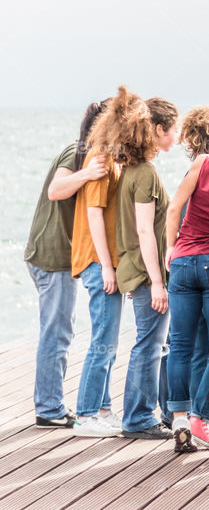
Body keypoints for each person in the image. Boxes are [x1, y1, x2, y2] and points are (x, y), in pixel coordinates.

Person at [27, 101, 108, 429]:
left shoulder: (88, 154)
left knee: (60, 329)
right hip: (52, 256)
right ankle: (49, 409)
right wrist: (87, 173)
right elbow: (55, 190)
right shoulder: (76, 152)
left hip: (59, 256)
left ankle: (50, 405)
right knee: (57, 332)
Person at [164, 106, 209, 452]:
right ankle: (199, 418)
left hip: (182, 261)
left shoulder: (199, 164)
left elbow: (173, 208)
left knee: (180, 343)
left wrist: (170, 247)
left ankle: (177, 417)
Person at [114, 96, 179, 439]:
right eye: (172, 129)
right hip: (144, 272)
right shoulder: (145, 173)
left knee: (157, 343)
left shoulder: (132, 171)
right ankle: (138, 417)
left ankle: (164, 412)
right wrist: (157, 281)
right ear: (157, 129)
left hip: (137, 269)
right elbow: (143, 230)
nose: (176, 136)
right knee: (150, 345)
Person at [71, 93, 127, 438]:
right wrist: (107, 266)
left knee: (109, 340)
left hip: (109, 260)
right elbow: (94, 214)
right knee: (102, 339)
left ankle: (103, 408)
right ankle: (86, 414)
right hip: (97, 260)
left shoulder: (114, 158)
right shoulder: (101, 157)